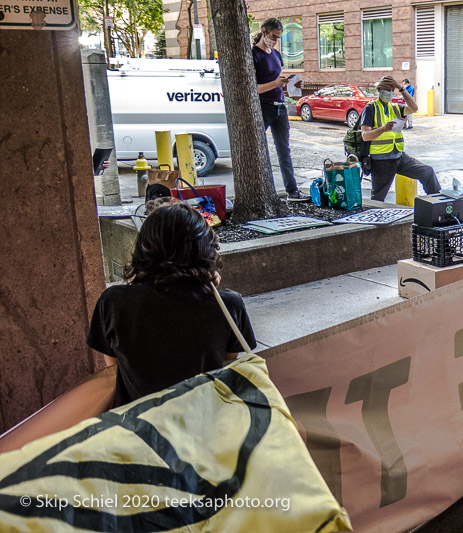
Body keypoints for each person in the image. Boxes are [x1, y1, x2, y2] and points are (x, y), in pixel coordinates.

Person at [87, 202, 257, 407]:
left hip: (139, 427)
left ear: (143, 248)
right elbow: (226, 365)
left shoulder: (114, 302)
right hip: (205, 425)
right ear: (206, 249)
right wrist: (206, 285)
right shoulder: (229, 305)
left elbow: (114, 367)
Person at [252, 18, 308, 201]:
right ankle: (263, 192)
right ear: (264, 31)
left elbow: (276, 80)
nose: (275, 41)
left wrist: (290, 85)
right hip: (263, 106)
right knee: (259, 150)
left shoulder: (276, 55)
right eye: (273, 36)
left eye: (278, 38)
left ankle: (292, 191)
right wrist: (275, 84)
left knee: (284, 150)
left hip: (280, 105)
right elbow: (253, 88)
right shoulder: (254, 54)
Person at [361, 76, 441, 201]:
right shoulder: (371, 108)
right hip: (381, 161)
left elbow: (414, 108)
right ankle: (373, 217)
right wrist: (383, 129)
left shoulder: (395, 107)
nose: (390, 93)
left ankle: (438, 204)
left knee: (427, 172)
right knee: (378, 198)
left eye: (392, 90)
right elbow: (365, 136)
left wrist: (401, 88)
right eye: (387, 89)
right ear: (379, 89)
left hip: (399, 156)